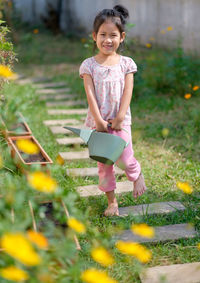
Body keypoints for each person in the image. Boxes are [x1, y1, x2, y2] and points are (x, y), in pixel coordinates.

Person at [79, 5, 147, 216]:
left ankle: (136, 174)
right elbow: (90, 94)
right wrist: (98, 121)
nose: (108, 40)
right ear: (94, 36)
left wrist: (119, 118)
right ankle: (112, 202)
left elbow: (128, 92)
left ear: (122, 37)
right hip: (97, 123)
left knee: (125, 159)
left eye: (113, 35)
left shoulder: (126, 64)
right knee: (105, 165)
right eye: (103, 35)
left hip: (121, 121)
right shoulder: (88, 66)